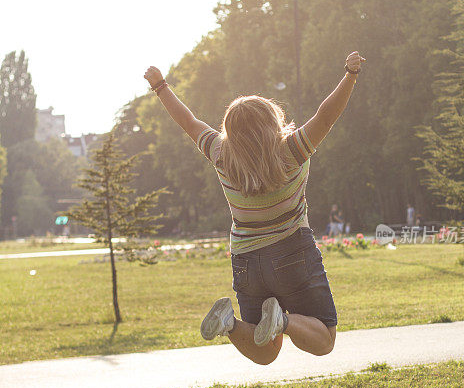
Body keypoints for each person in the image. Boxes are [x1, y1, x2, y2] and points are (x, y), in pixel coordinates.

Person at [144, 50, 365, 365]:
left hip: (247, 260)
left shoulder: (221, 153)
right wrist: (350, 74)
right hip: (292, 252)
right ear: (270, 120)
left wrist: (161, 86)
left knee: (265, 353)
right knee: (325, 339)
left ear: (230, 131)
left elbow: (189, 122)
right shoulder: (292, 150)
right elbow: (326, 114)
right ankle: (283, 321)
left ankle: (229, 323)